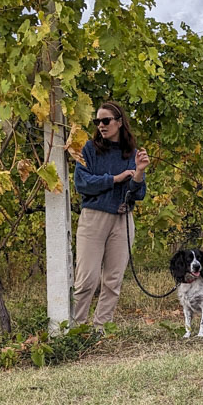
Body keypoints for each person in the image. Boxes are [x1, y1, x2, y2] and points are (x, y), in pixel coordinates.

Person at [72, 101, 150, 330]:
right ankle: (76, 329)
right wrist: (115, 179)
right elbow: (82, 183)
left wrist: (139, 174)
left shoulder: (132, 153)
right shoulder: (88, 149)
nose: (101, 126)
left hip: (123, 220)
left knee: (113, 280)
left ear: (119, 122)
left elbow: (138, 194)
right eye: (98, 121)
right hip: (94, 217)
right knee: (87, 279)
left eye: (105, 121)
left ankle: (101, 329)